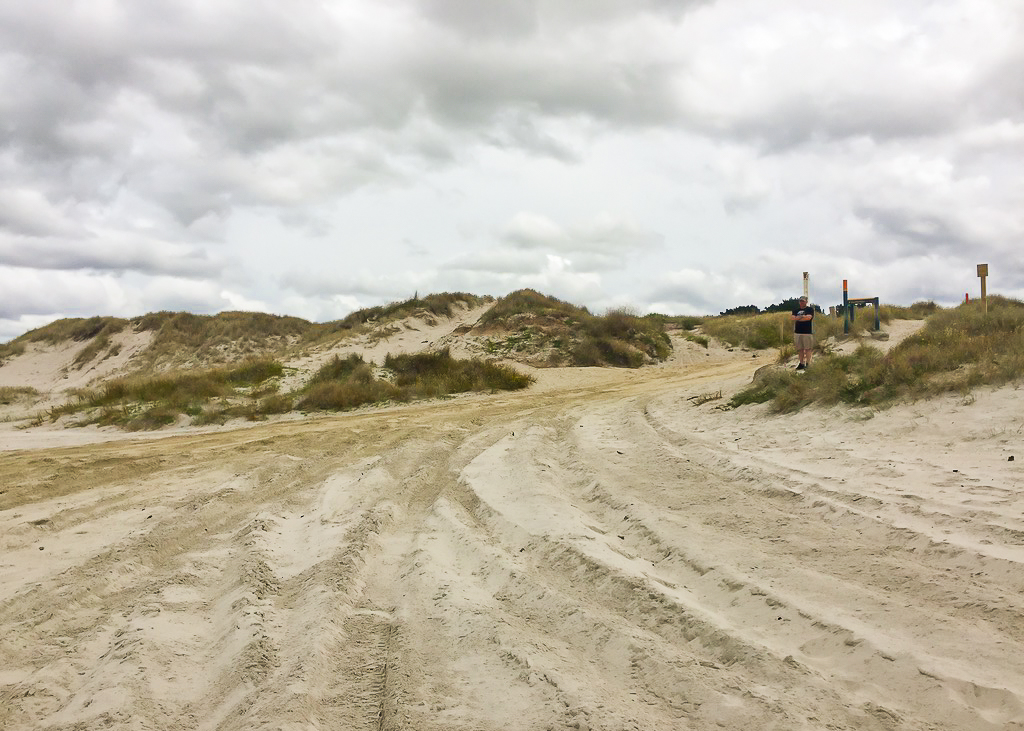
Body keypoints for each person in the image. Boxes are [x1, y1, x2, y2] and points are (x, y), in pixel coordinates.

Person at [791, 296, 814, 370]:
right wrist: (802, 317)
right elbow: (793, 318)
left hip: (807, 332)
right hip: (798, 332)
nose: (801, 302)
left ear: (806, 302)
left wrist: (799, 318)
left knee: (808, 349)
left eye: (803, 301)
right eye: (800, 301)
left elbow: (808, 318)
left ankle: (808, 363)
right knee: (800, 349)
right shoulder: (795, 310)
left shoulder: (810, 309)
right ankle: (801, 363)